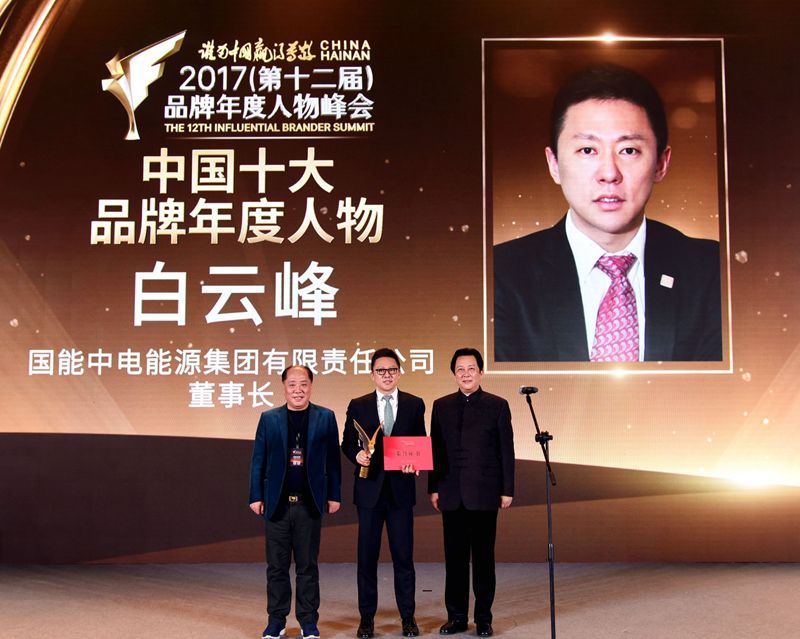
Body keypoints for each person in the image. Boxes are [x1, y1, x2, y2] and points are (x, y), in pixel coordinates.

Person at [494, 63, 722, 362]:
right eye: (588, 150)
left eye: (628, 150)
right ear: (554, 164)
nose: (609, 174)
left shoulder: (713, 272)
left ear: (661, 163)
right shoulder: (499, 276)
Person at [249, 365, 342, 639]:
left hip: (309, 503)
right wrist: (256, 495)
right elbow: (258, 460)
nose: (298, 390)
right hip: (276, 504)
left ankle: (308, 621)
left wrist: (334, 494)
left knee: (307, 567)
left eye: (303, 384)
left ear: (311, 386)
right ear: (284, 387)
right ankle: (276, 621)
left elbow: (333, 462)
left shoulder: (325, 417)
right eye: (292, 384)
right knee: (276, 567)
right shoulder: (269, 419)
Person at [428, 348, 515, 637]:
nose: (466, 374)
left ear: (481, 372)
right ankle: (456, 617)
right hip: (450, 493)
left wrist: (507, 489)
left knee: (483, 560)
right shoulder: (440, 406)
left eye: (471, 368)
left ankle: (483, 618)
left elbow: (506, 450)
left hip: (485, 494)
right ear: (454, 374)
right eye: (460, 369)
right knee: (454, 560)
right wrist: (433, 487)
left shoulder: (498, 405)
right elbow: (436, 451)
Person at [341, 348, 427, 638]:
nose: (387, 375)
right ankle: (366, 620)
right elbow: (347, 443)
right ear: (372, 374)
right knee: (367, 559)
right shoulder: (358, 404)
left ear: (399, 373)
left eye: (392, 370)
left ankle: (408, 618)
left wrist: (415, 462)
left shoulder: (415, 404)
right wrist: (357, 456)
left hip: (401, 492)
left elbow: (419, 442)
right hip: (369, 492)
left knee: (404, 557)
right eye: (381, 370)